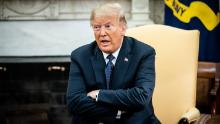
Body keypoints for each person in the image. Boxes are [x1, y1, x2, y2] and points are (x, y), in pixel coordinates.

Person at [66, 3, 160, 124]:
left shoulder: (143, 53)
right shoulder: (80, 56)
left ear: (123, 28)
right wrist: (118, 112)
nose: (102, 33)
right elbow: (74, 103)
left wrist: (99, 95)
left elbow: (141, 96)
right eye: (97, 27)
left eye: (108, 26)